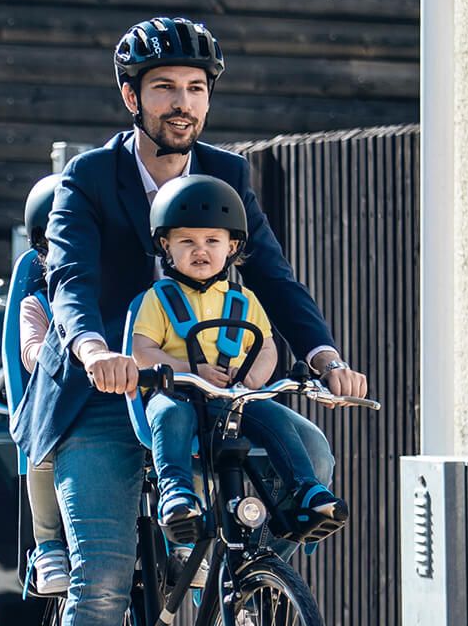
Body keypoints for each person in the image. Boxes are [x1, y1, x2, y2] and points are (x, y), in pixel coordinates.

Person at [9, 16, 369, 626]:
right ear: (130, 97)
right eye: (165, 87)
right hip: (105, 394)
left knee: (305, 456)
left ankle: (243, 594)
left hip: (206, 389)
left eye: (196, 89)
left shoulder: (225, 175)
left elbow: (272, 275)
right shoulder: (86, 177)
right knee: (103, 580)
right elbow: (70, 278)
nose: (183, 102)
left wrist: (325, 355)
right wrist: (92, 347)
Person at [130, 174, 344, 548]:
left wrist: (253, 383)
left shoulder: (244, 300)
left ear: (232, 247)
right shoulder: (158, 298)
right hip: (181, 394)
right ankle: (177, 495)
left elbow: (265, 348)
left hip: (233, 400)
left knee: (275, 418)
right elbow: (142, 349)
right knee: (167, 415)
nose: (201, 250)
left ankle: (306, 491)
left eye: (212, 241)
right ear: (166, 245)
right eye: (187, 242)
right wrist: (188, 370)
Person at [15, 176, 66, 595]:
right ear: (41, 251)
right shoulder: (37, 303)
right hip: (56, 396)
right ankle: (48, 544)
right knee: (42, 447)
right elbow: (30, 352)